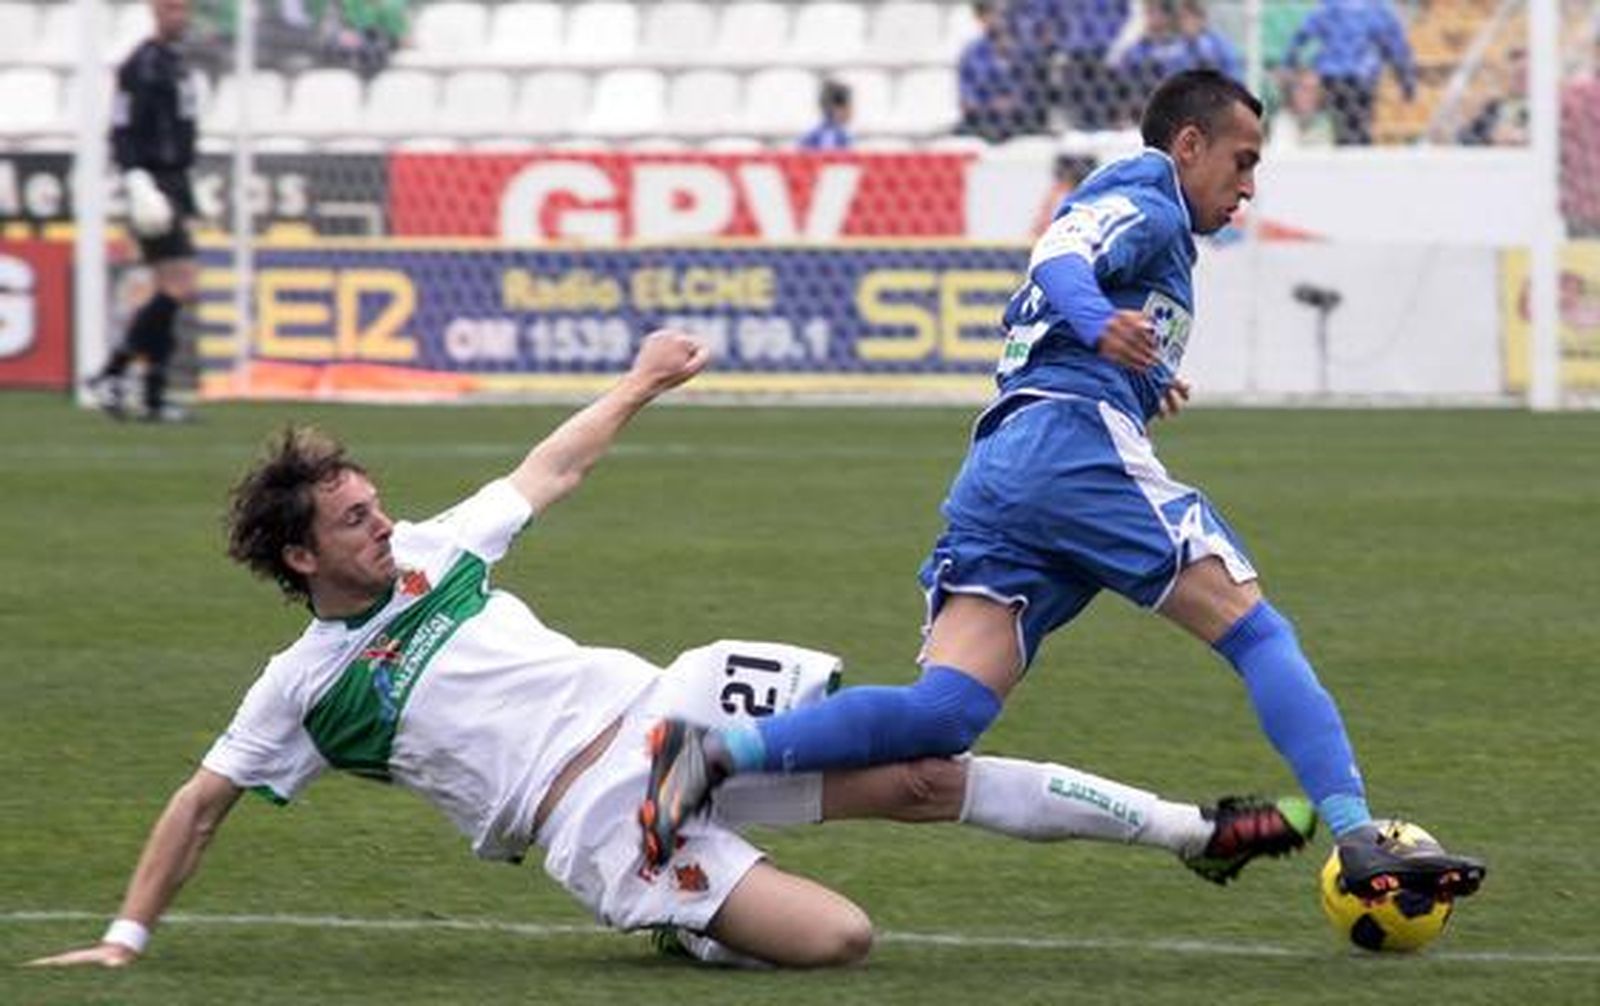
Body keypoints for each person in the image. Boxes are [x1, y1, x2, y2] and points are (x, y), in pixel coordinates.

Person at [25, 329, 1312, 972]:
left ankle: (1194, 834)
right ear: (303, 558)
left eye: (374, 502)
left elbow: (550, 465)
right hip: (587, 818)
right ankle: (689, 926)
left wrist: (640, 381)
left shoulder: (434, 551)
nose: (381, 520)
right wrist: (126, 941)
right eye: (354, 518)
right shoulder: (301, 689)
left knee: (925, 759)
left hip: (670, 711)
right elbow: (201, 801)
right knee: (842, 940)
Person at [643, 72, 1487, 909]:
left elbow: (1057, 313)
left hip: (1007, 468)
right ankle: (1357, 831)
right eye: (1242, 160)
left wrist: (1141, 374)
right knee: (1255, 630)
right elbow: (1057, 256)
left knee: (945, 714)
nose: (1248, 187)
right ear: (1188, 145)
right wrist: (1097, 332)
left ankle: (713, 753)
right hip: (1070, 450)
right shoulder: (1150, 196)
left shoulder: (1154, 229)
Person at [86, 0, 202, 423]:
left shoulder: (174, 61)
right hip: (153, 182)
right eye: (172, 9)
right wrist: (136, 179)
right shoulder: (142, 63)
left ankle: (151, 395)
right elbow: (121, 127)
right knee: (180, 284)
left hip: (174, 181)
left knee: (167, 288)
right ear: (156, 12)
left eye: (184, 9)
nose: (180, 17)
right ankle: (111, 374)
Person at [1282, 0, 1416, 146]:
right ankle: (1358, 150)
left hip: (1332, 74)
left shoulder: (1330, 6)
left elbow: (1302, 35)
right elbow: (1395, 45)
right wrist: (1405, 79)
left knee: (1339, 121)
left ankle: (1342, 146)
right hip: (1363, 74)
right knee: (1359, 122)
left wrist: (1290, 62)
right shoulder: (1377, 7)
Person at [957, 1, 1030, 143]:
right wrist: (984, 104)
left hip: (1015, 117)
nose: (993, 19)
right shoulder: (972, 51)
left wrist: (1012, 101)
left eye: (996, 13)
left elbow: (1026, 89)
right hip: (982, 116)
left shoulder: (1021, 50)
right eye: (985, 14)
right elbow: (966, 97)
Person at [1269, 68, 1337, 149]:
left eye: (1315, 90)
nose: (1310, 95)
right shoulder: (1282, 121)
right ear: (1293, 92)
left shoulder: (1324, 123)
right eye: (1304, 89)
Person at [799, 80, 854, 151]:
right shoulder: (831, 135)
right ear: (836, 108)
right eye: (848, 106)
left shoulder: (815, 133)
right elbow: (829, 160)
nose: (851, 111)